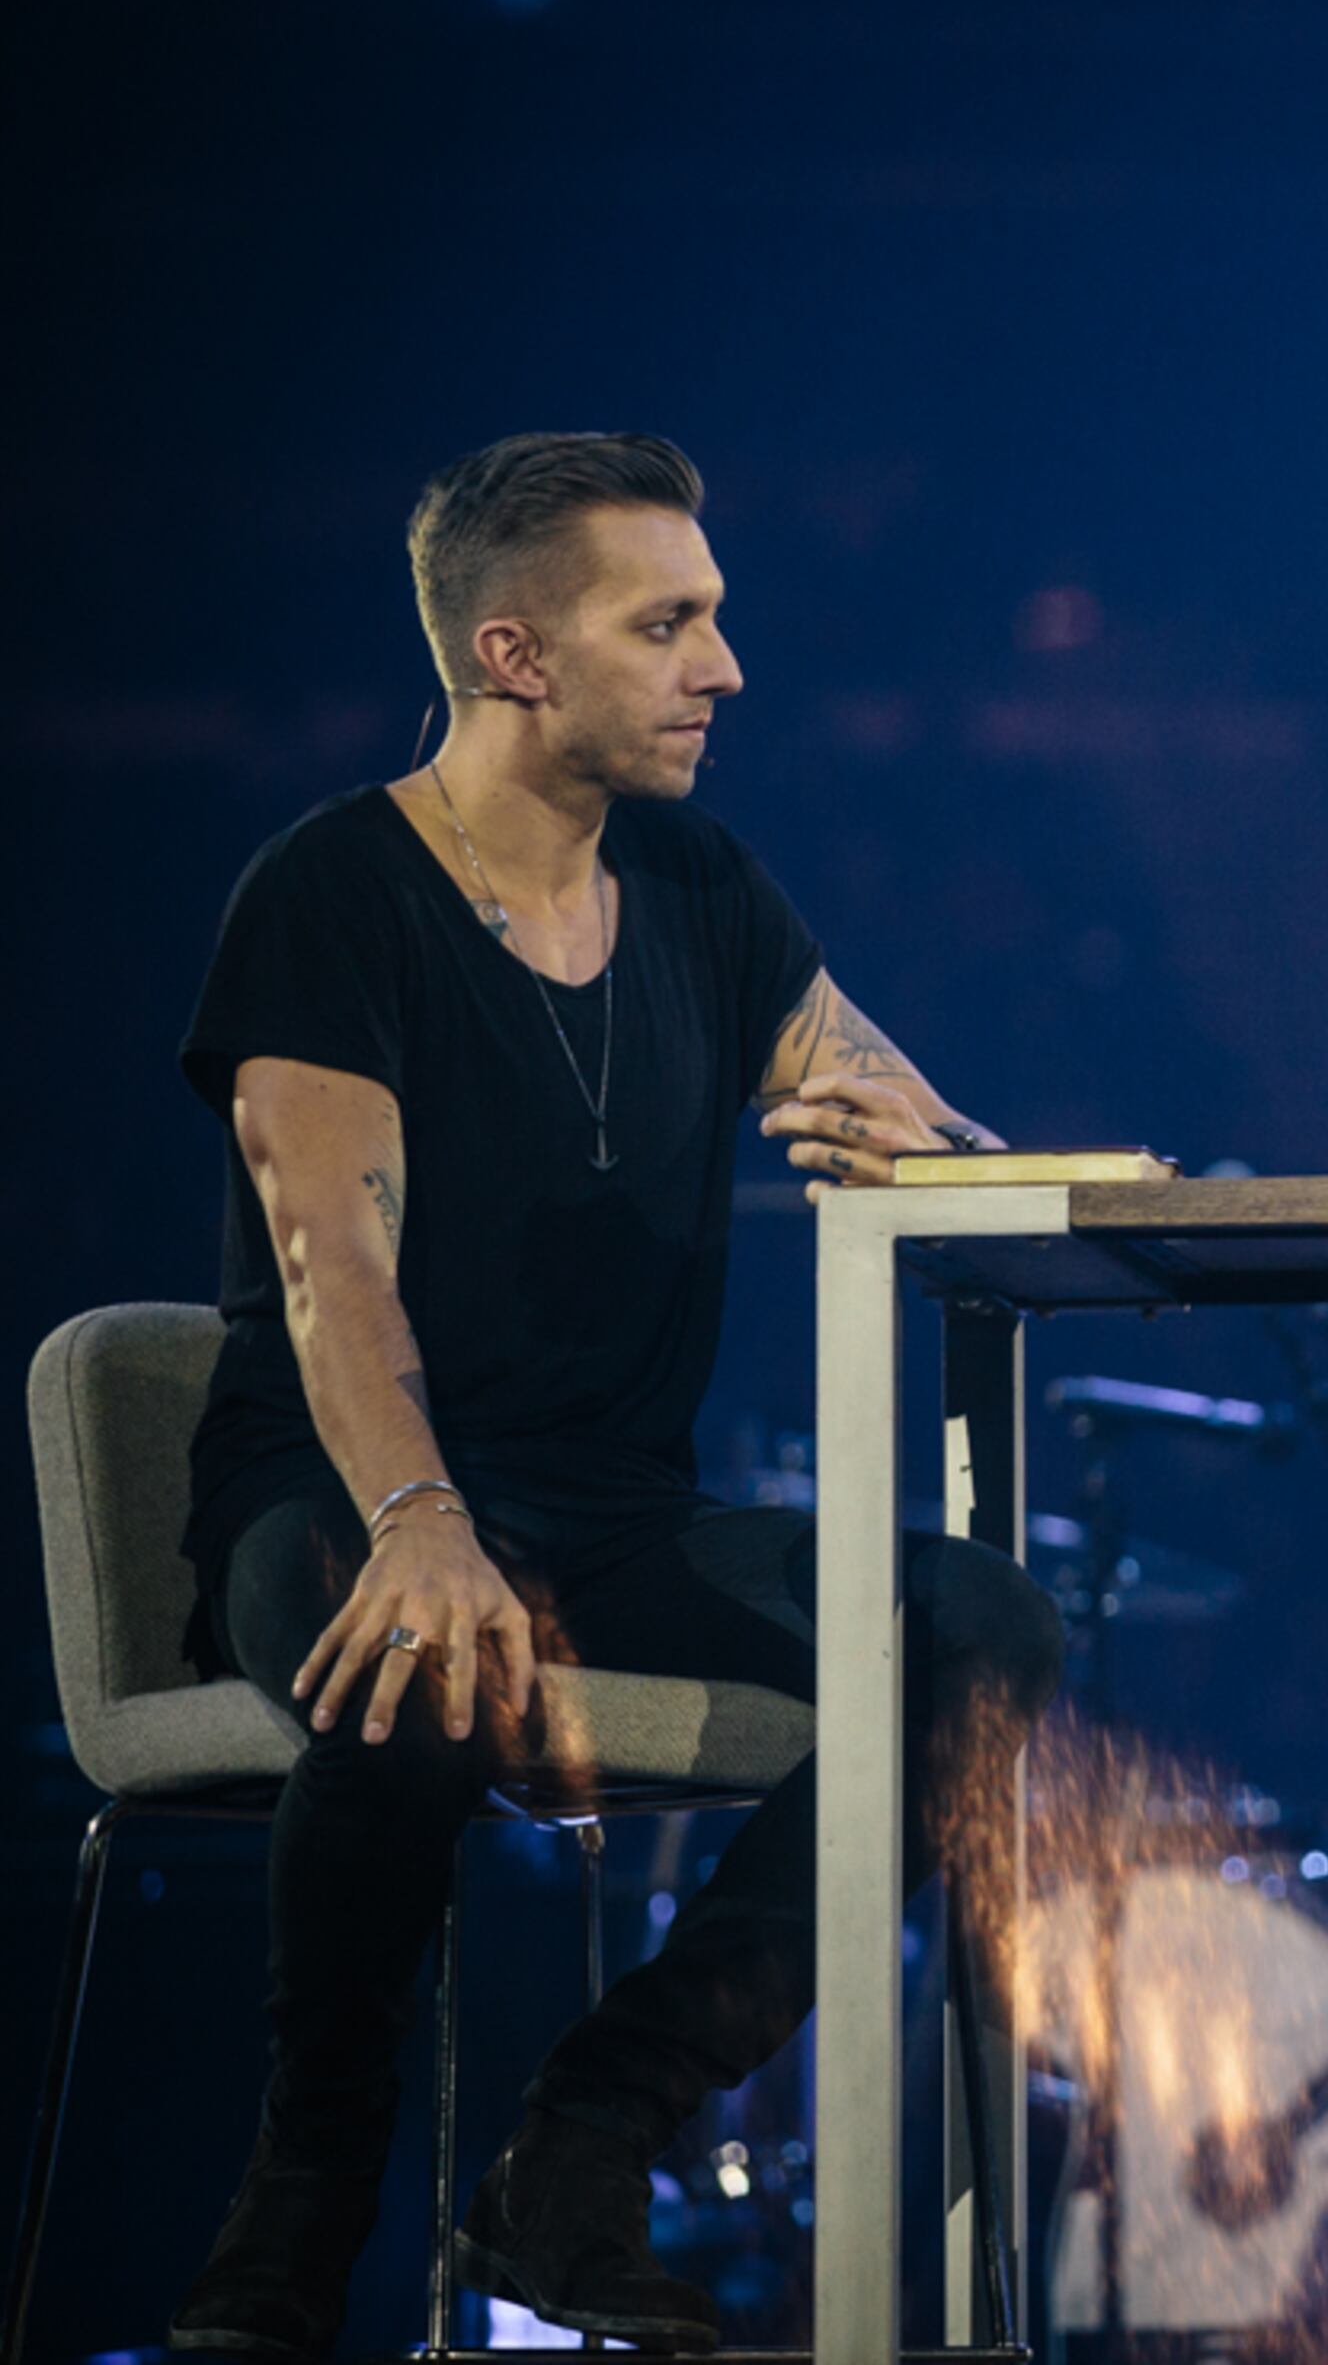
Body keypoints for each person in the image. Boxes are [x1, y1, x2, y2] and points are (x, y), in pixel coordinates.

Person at [168, 432, 1064, 2358]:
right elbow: (331, 1265)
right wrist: (421, 1525)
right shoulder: (334, 892)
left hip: (616, 1514)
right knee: (414, 1664)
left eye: (714, 619)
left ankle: (587, 2142)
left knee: (981, 1629)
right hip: (344, 1480)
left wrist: (938, 1153)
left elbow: (911, 1120)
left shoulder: (701, 884)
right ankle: (295, 2223)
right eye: (668, 626)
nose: (724, 670)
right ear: (515, 656)